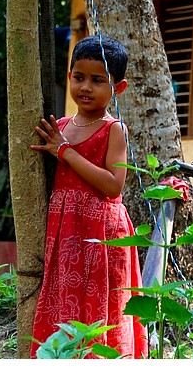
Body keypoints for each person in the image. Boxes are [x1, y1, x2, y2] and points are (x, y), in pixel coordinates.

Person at [29, 36, 148, 359]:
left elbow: (113, 186)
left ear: (118, 88)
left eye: (98, 81)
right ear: (69, 77)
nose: (86, 87)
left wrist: (65, 151)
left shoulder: (113, 129)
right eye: (79, 77)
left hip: (102, 235)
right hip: (66, 230)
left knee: (100, 305)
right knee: (66, 300)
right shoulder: (61, 126)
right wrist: (61, 145)